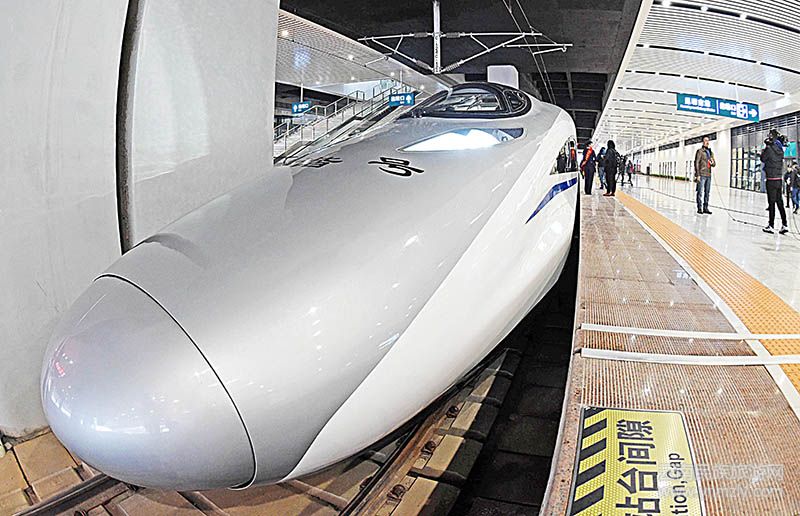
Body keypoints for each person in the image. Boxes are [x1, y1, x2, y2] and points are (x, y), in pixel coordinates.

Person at [761, 129, 788, 234]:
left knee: (771, 203)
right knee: (779, 202)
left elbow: (763, 159)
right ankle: (784, 224)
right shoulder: (780, 149)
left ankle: (771, 225)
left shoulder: (769, 148)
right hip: (779, 179)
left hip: (771, 179)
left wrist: (766, 147)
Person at [694, 136, 715, 214]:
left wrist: (712, 162)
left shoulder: (710, 152)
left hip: (708, 175)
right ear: (703, 142)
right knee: (700, 192)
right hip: (702, 174)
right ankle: (699, 208)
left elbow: (714, 164)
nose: (707, 142)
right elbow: (696, 163)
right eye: (706, 140)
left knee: (707, 192)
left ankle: (705, 208)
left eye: (708, 140)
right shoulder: (700, 151)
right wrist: (697, 175)